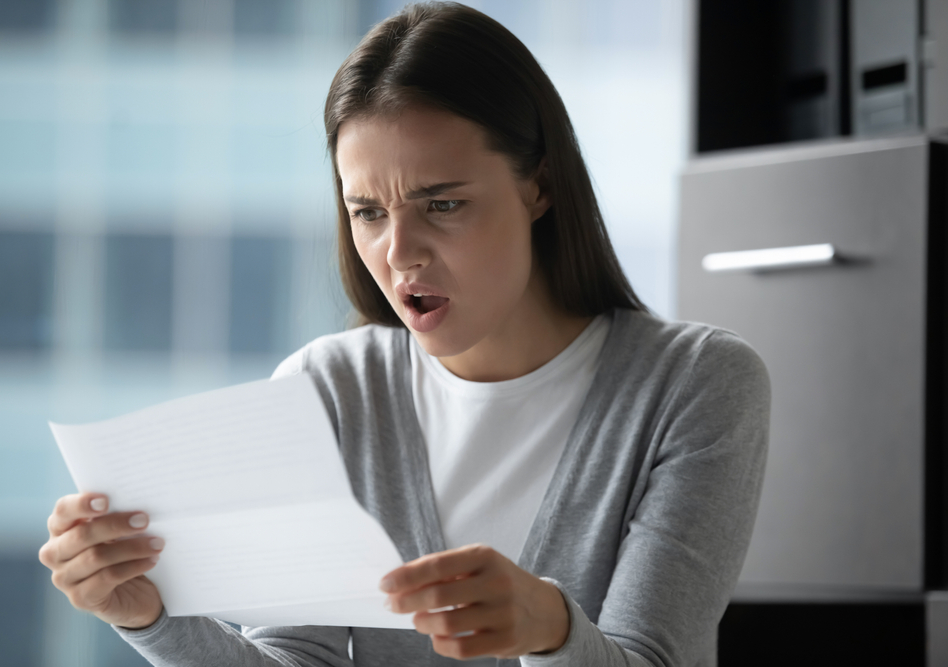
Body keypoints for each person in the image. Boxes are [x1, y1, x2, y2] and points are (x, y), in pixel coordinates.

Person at [38, 3, 770, 666]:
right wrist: (151, 618)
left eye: (442, 203)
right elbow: (299, 658)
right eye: (367, 212)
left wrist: (551, 626)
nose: (400, 252)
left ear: (539, 186)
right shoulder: (326, 387)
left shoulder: (695, 384)